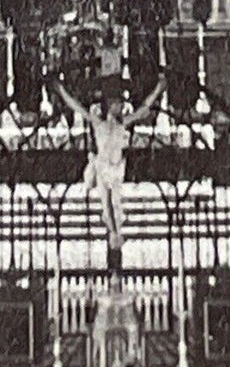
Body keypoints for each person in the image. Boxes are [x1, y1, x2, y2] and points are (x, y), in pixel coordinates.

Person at [57, 79, 165, 252]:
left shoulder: (122, 123)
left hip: (114, 169)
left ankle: (115, 233)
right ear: (110, 107)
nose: (120, 107)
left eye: (120, 104)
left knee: (115, 204)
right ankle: (113, 233)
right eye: (117, 104)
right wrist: (62, 92)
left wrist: (158, 89)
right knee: (107, 205)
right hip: (103, 167)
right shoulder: (99, 123)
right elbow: (77, 108)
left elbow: (144, 108)